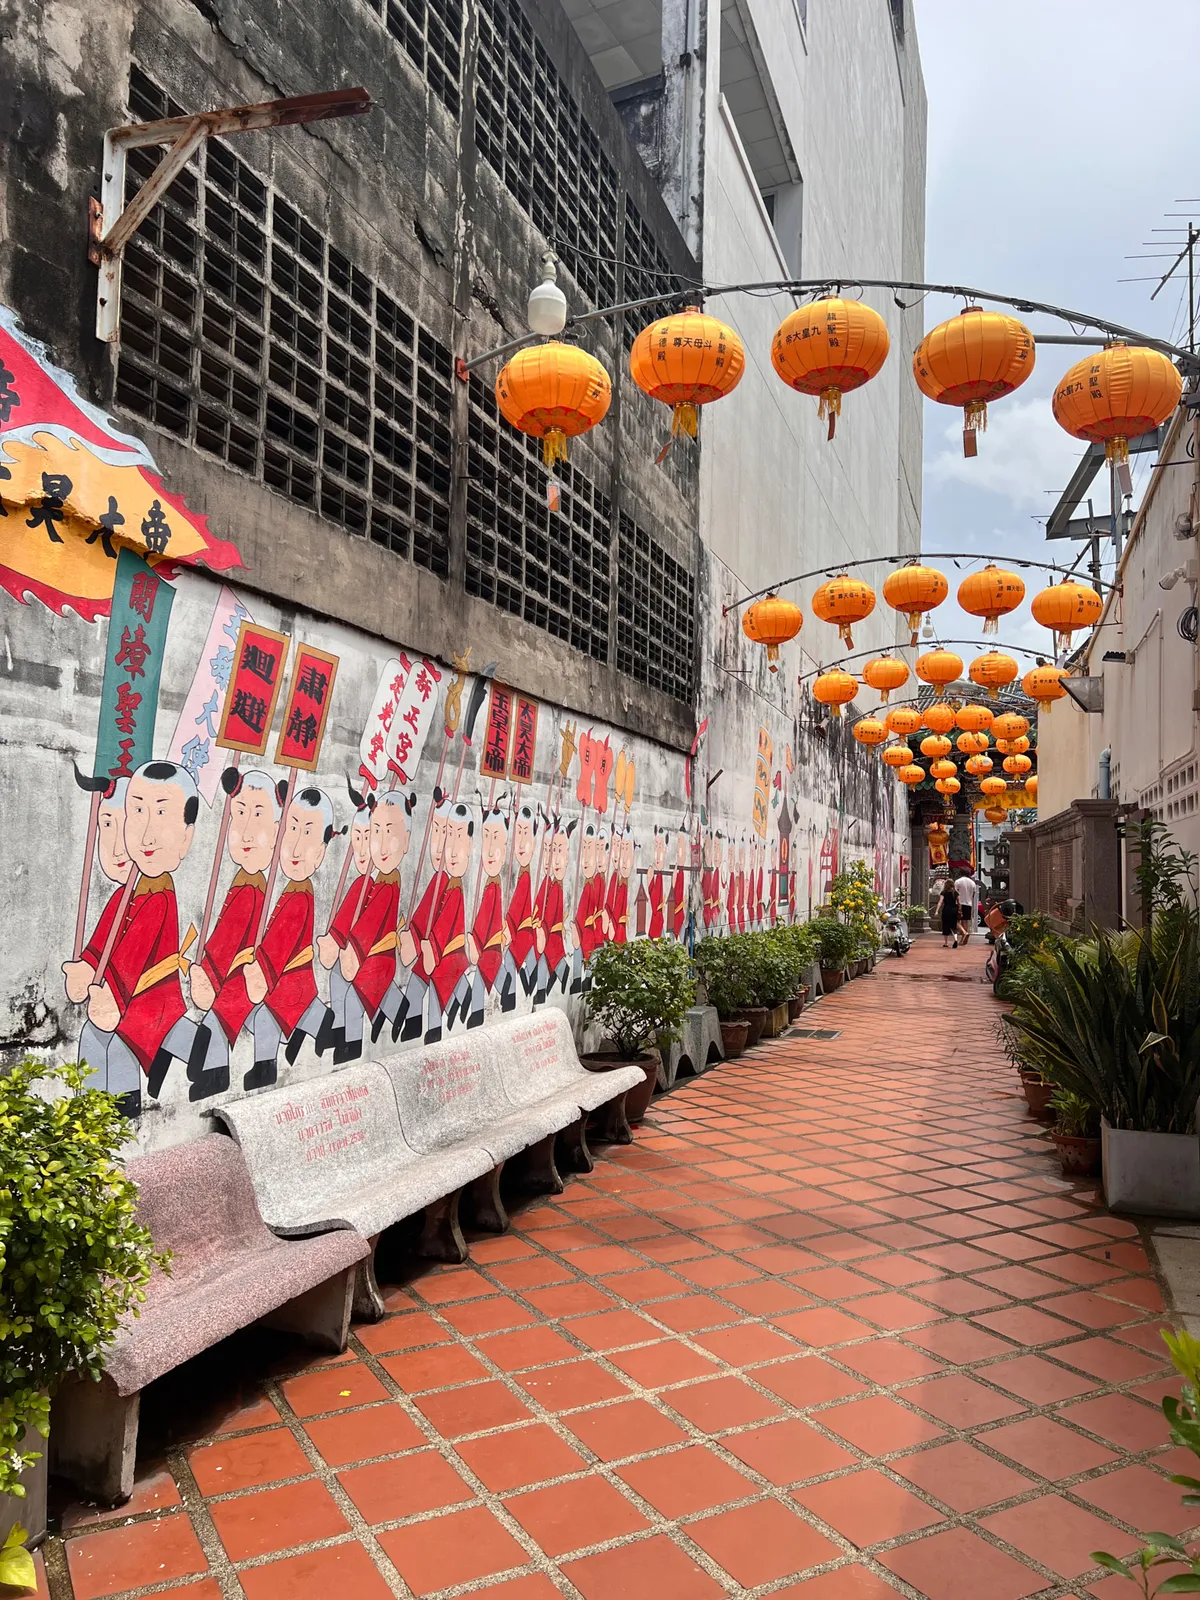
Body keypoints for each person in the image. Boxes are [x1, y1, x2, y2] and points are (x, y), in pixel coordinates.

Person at [954, 871, 979, 946]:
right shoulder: (972, 883)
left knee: (955, 921)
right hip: (968, 904)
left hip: (959, 903)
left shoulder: (958, 881)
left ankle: (964, 933)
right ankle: (962, 939)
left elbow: (955, 893)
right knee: (965, 921)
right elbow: (973, 895)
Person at [938, 877, 960, 949]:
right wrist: (959, 910)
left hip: (946, 910)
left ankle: (946, 943)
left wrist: (936, 910)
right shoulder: (956, 893)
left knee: (946, 926)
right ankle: (956, 939)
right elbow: (959, 902)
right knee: (953, 926)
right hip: (954, 910)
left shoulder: (943, 892)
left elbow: (940, 902)